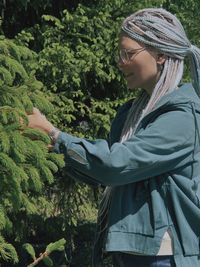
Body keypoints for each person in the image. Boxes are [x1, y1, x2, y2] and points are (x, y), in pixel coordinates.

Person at [27, 8, 200, 267]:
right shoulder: (131, 114)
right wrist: (52, 144)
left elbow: (115, 164)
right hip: (135, 253)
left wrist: (54, 134)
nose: (120, 62)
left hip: (163, 256)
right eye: (119, 54)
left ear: (161, 54)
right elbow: (103, 174)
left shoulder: (182, 117)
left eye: (128, 54)